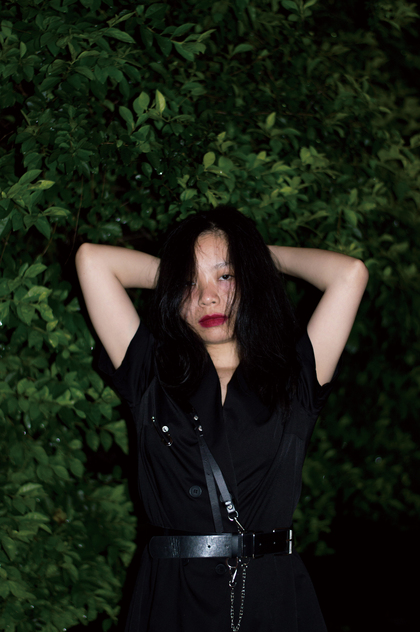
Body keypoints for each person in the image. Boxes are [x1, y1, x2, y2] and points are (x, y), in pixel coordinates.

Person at [76, 206, 368, 632]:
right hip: (173, 599)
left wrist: (255, 261)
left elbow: (350, 274)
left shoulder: (296, 376)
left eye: (225, 277)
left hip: (270, 597)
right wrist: (179, 274)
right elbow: (91, 260)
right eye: (189, 283)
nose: (207, 297)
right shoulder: (149, 373)